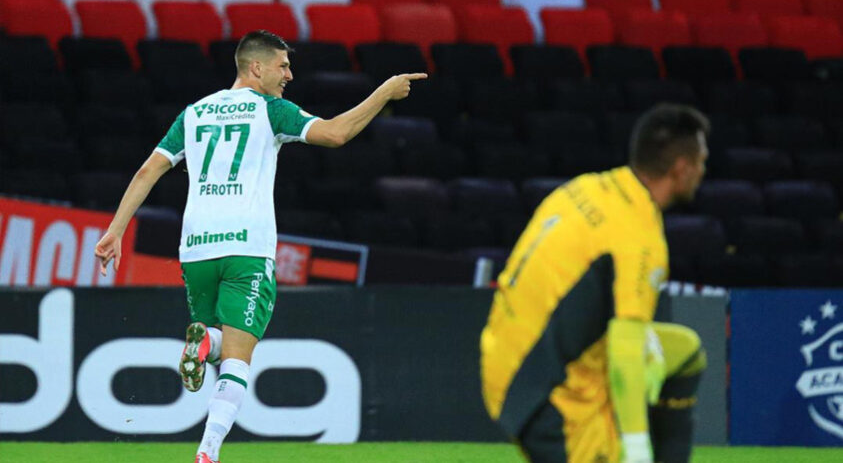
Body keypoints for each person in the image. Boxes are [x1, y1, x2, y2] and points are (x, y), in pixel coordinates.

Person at [94, 30, 426, 463]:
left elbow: (146, 171)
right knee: (238, 359)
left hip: (195, 249)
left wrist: (115, 230)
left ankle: (206, 343)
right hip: (246, 248)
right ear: (256, 67)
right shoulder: (270, 110)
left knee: (221, 344)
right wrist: (383, 93)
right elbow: (336, 134)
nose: (289, 74)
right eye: (282, 65)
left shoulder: (193, 113)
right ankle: (207, 452)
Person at [480, 104, 710, 463]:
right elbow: (624, 354)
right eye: (700, 162)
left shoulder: (583, 189)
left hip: (502, 357)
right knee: (635, 355)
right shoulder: (640, 237)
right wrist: (636, 449)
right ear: (681, 169)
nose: (702, 171)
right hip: (548, 397)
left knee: (686, 353)